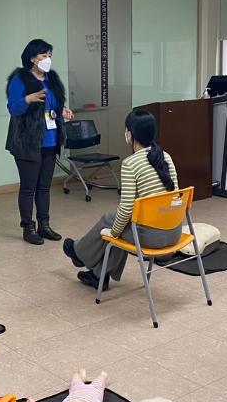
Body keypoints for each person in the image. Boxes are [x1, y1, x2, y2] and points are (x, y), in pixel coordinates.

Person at [62, 110, 179, 291]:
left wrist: (113, 232)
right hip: (174, 232)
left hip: (152, 238)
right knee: (118, 223)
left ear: (129, 134)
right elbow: (175, 196)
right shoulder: (166, 156)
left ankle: (79, 253)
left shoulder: (131, 164)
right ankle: (98, 275)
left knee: (113, 222)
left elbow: (126, 208)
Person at [5, 38, 74, 245]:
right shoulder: (19, 79)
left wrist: (62, 110)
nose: (48, 59)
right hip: (27, 141)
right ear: (32, 58)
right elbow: (13, 108)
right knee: (29, 187)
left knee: (44, 187)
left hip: (50, 140)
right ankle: (28, 227)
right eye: (44, 55)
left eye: (50, 55)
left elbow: (54, 106)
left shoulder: (51, 78)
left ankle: (44, 225)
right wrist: (28, 99)